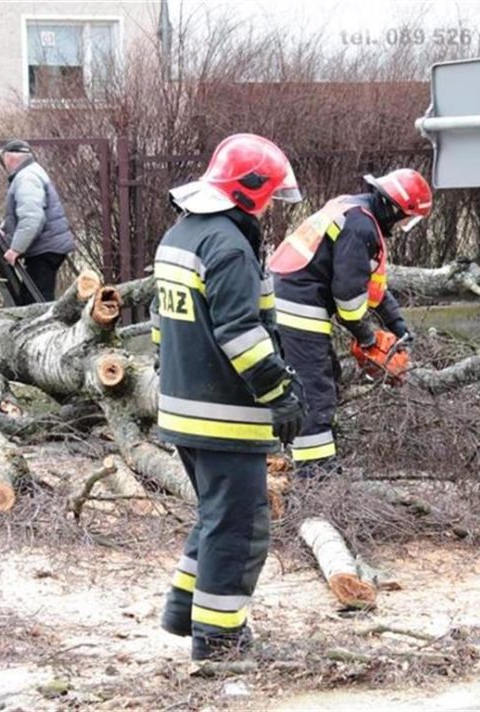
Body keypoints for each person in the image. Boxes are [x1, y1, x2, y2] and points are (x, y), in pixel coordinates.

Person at [152, 133, 308, 661]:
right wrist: (279, 390)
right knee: (240, 527)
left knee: (215, 516)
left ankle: (183, 611)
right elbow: (241, 333)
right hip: (224, 414)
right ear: (254, 191)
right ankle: (219, 642)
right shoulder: (228, 246)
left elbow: (161, 327)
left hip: (182, 404)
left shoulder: (183, 234)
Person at [269, 169, 432, 475]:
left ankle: (304, 456)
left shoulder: (352, 209)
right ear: (396, 209)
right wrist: (367, 338)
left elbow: (373, 290)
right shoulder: (361, 228)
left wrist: (399, 328)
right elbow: (347, 299)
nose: (403, 226)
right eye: (407, 219)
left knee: (326, 375)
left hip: (290, 300)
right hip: (298, 309)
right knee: (316, 391)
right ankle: (315, 473)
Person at [0, 139, 75, 302]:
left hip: (45, 250)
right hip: (48, 247)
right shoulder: (31, 172)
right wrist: (6, 229)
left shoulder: (26, 178)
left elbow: (32, 218)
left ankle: (45, 327)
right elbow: (25, 212)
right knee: (32, 297)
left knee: (36, 302)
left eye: (4, 157)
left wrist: (16, 249)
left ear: (10, 158)